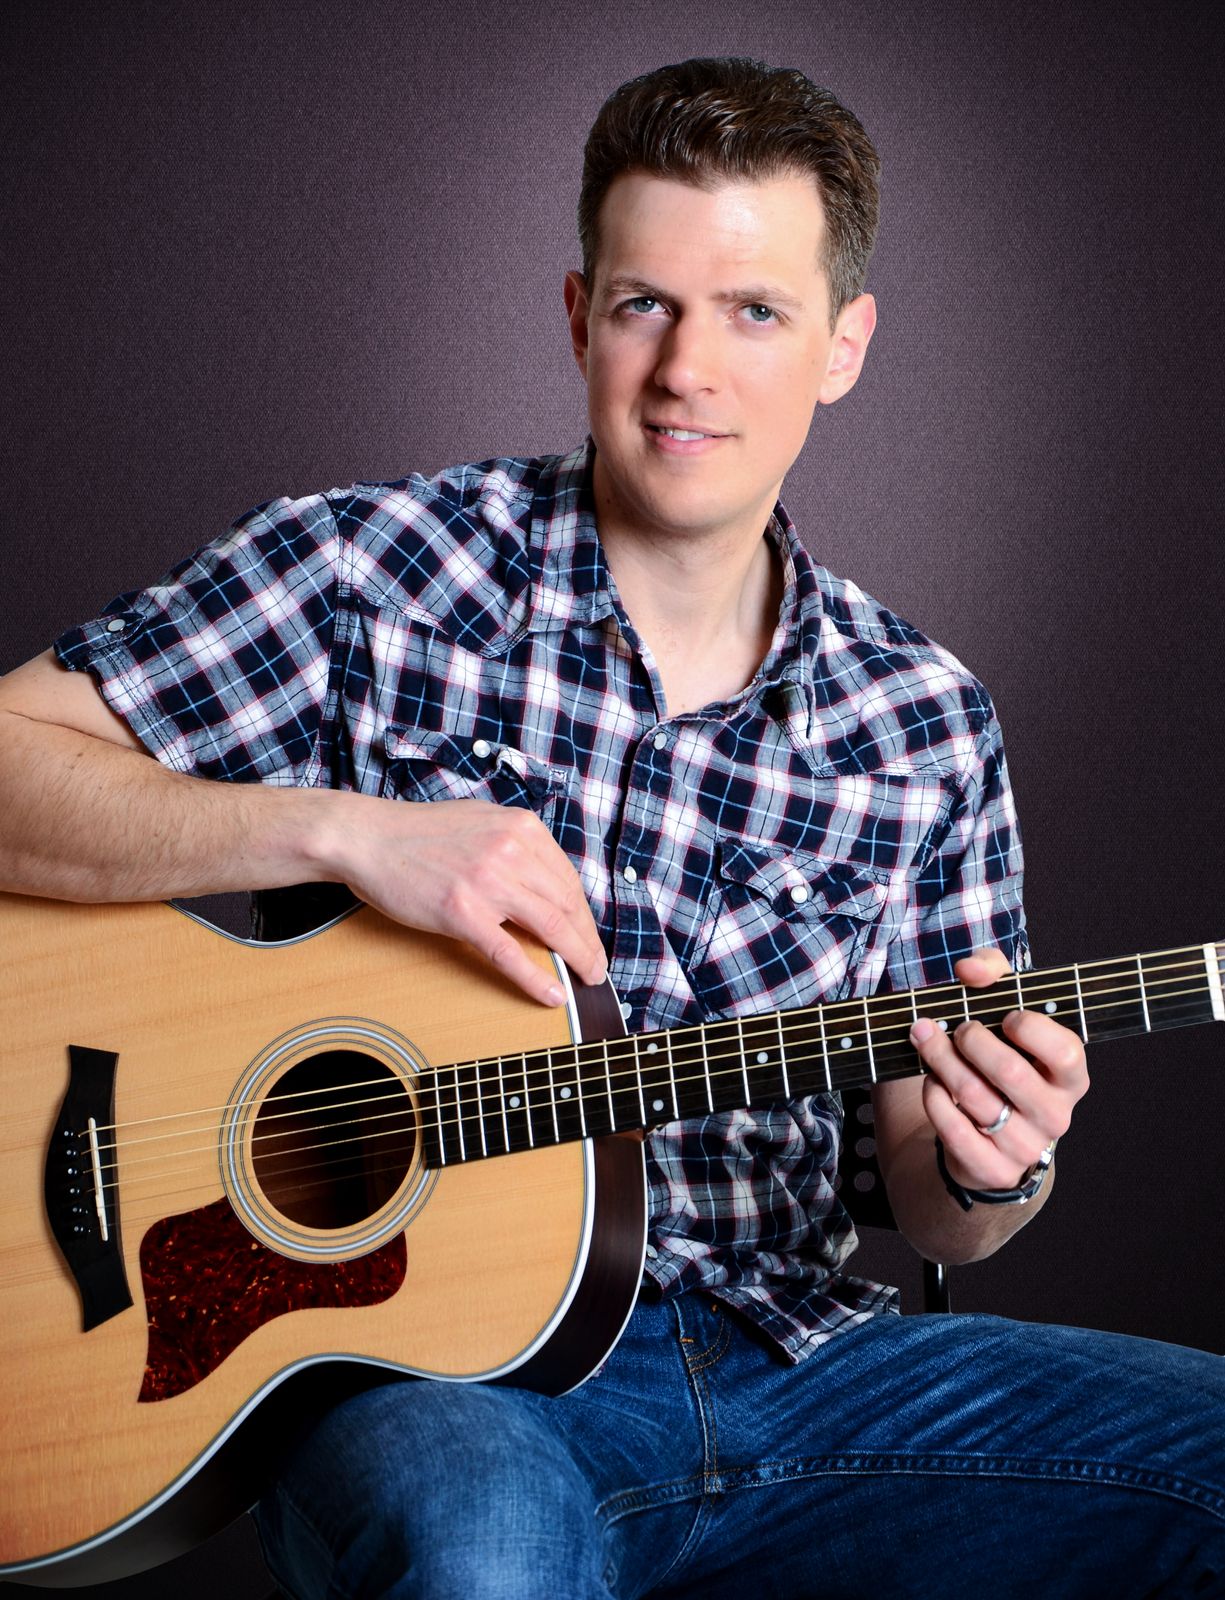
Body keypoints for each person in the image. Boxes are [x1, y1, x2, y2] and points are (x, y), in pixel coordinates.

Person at [1, 55, 1222, 1600]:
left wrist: (993, 1165)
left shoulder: (923, 718)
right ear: (579, 317)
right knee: (484, 1554)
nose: (685, 371)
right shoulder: (375, 574)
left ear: (843, 346)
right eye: (646, 304)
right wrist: (342, 834)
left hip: (800, 1365)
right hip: (432, 1373)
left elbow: (928, 1195)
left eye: (754, 312)